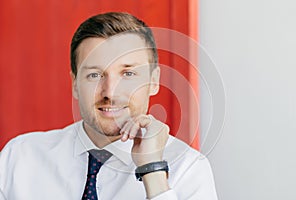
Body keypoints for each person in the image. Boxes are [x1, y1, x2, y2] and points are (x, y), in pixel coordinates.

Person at [0, 12, 218, 200]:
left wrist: (153, 171)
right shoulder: (19, 157)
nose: (110, 92)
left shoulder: (189, 169)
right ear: (75, 84)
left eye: (128, 73)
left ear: (153, 81)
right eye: (95, 75)